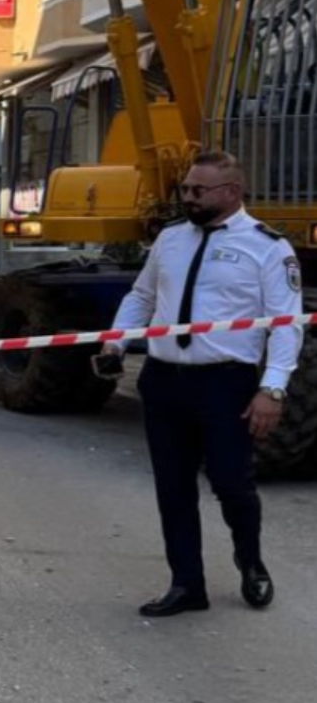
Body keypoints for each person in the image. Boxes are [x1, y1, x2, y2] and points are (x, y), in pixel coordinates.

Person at [102, 151, 303, 617]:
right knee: (173, 488)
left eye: (198, 190)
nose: (188, 197)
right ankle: (187, 584)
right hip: (164, 380)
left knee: (232, 484)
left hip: (225, 383)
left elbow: (286, 324)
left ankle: (249, 560)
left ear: (231, 192)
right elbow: (142, 296)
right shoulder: (170, 238)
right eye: (186, 189)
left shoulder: (268, 248)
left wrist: (272, 389)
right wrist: (116, 342)